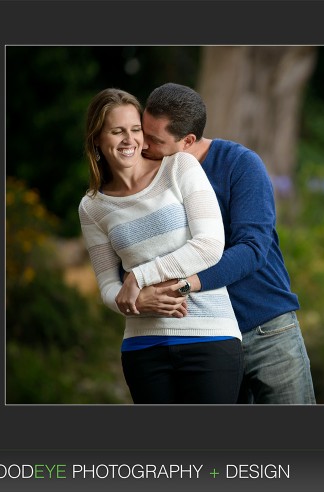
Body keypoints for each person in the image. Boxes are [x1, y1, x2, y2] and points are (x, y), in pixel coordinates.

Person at [133, 82, 316, 404]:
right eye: (142, 132)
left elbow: (252, 249)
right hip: (203, 339)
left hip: (263, 326)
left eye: (154, 140)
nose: (142, 146)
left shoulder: (239, 164)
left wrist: (183, 285)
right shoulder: (149, 177)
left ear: (188, 140)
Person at [78, 88, 243, 404]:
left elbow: (209, 245)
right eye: (117, 131)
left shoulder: (180, 167)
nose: (130, 140)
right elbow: (108, 288)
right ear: (97, 139)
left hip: (210, 337)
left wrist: (138, 277)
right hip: (143, 348)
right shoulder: (92, 207)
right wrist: (140, 301)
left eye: (135, 129)